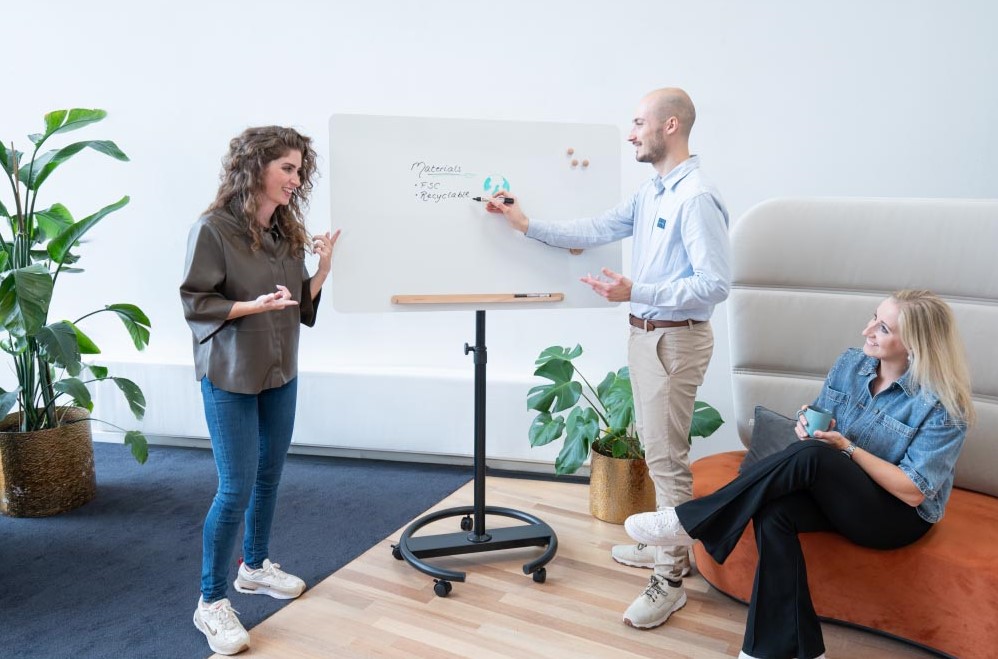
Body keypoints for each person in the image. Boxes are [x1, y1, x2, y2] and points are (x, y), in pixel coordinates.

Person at [487, 87, 731, 628]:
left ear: (670, 125)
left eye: (639, 122)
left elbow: (714, 284)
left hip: (674, 340)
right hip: (647, 336)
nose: (630, 133)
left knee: (666, 461)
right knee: (657, 448)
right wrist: (525, 224)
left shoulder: (695, 197)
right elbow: (596, 228)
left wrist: (638, 290)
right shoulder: (653, 193)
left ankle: (670, 579)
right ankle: (667, 546)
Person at [624, 290, 975, 659]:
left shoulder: (942, 404)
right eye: (874, 317)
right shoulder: (852, 364)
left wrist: (845, 447)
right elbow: (824, 422)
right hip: (841, 494)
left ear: (915, 344)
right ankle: (786, 651)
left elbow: (913, 491)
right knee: (774, 510)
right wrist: (808, 424)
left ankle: (690, 521)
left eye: (883, 328)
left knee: (816, 456)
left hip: (895, 516)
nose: (867, 330)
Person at [180, 126, 340, 656]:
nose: (296, 179)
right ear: (256, 168)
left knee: (269, 476)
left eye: (300, 170)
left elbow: (297, 304)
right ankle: (210, 601)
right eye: (287, 168)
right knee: (236, 487)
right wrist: (252, 307)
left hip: (279, 369)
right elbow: (197, 302)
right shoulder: (213, 229)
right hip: (231, 373)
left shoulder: (286, 232)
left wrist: (322, 270)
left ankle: (253, 567)